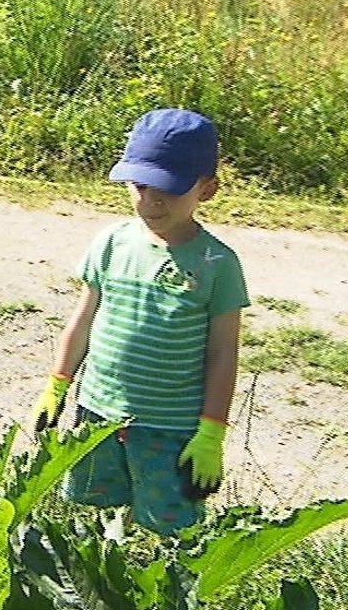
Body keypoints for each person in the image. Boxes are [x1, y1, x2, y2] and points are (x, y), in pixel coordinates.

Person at [30, 108, 250, 536]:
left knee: (171, 524)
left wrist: (211, 434)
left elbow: (224, 354)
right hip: (98, 412)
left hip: (169, 426)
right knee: (94, 508)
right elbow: (83, 319)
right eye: (140, 185)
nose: (151, 200)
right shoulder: (112, 242)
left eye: (168, 188)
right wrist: (57, 385)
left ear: (208, 190)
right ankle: (111, 552)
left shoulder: (218, 264)